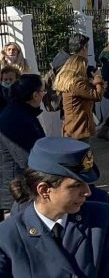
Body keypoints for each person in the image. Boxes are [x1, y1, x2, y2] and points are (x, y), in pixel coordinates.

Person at [0, 137, 109, 277]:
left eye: (87, 184)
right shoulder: (7, 237)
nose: (87, 192)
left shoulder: (100, 218)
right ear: (44, 190)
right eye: (76, 185)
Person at [0, 75, 46, 220]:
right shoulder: (15, 118)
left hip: (22, 187)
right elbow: (26, 158)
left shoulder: (21, 112)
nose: (44, 94)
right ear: (35, 95)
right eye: (42, 91)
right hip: (17, 192)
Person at [54, 54, 106, 141]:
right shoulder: (77, 83)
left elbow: (84, 93)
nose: (86, 69)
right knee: (83, 153)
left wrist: (94, 84)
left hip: (72, 125)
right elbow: (97, 96)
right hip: (78, 126)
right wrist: (98, 77)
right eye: (84, 66)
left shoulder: (69, 81)